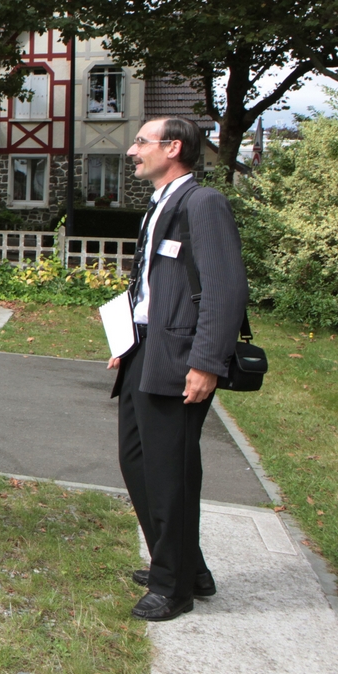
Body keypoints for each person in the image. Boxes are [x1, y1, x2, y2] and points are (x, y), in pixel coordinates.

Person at [108, 116, 248, 621]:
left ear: (173, 147)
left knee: (172, 471)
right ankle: (188, 566)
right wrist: (127, 340)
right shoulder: (161, 203)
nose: (132, 151)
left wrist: (207, 362)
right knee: (137, 460)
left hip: (182, 356)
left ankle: (175, 587)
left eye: (141, 142)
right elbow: (152, 288)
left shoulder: (202, 203)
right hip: (145, 348)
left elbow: (225, 288)